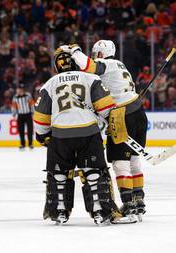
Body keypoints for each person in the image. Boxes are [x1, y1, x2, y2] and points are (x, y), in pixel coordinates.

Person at [33, 48, 123, 225]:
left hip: (60, 134)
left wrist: (43, 136)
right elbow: (107, 109)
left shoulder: (50, 83)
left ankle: (58, 210)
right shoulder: (91, 78)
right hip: (88, 132)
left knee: (59, 173)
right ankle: (100, 211)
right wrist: (109, 125)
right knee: (94, 172)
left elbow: (41, 118)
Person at [61, 40, 148, 217]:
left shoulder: (107, 64)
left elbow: (88, 66)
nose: (94, 56)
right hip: (139, 112)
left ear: (100, 53)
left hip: (123, 116)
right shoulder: (120, 65)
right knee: (134, 159)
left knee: (120, 163)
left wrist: (75, 50)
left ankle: (129, 203)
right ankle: (138, 199)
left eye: (95, 53)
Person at [12, 84, 35, 150]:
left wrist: (33, 112)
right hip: (20, 115)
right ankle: (22, 144)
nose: (18, 90)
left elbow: (32, 104)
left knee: (30, 130)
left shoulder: (28, 95)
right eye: (17, 89)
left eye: (19, 89)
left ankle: (30, 144)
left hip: (28, 115)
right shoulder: (15, 97)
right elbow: (14, 106)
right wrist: (14, 113)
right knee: (21, 130)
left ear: (22, 90)